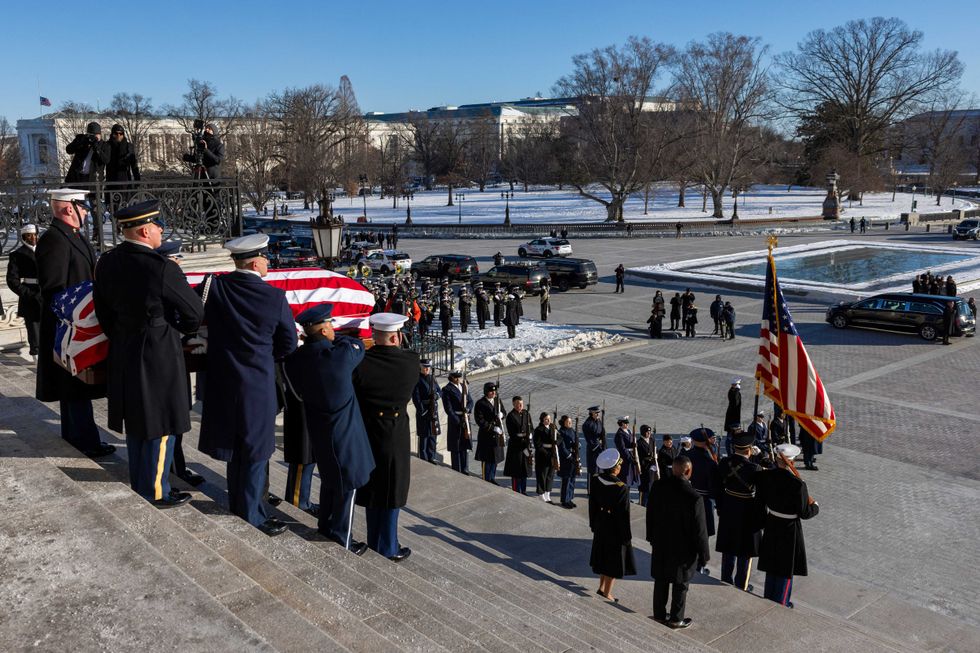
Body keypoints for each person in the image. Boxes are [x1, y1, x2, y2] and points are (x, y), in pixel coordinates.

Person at [93, 200, 202, 508]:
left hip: (125, 348)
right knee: (162, 423)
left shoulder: (106, 262)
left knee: (139, 422)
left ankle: (141, 483)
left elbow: (102, 312)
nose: (161, 231)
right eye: (157, 227)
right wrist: (175, 328)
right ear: (144, 230)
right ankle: (156, 490)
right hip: (159, 352)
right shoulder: (162, 267)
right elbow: (194, 313)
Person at [198, 233, 297, 536]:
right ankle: (252, 514)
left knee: (235, 448)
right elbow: (289, 344)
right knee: (255, 451)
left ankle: (238, 503)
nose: (269, 263)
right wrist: (265, 358)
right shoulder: (274, 297)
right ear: (256, 262)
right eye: (266, 258)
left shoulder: (214, 288)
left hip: (223, 381)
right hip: (257, 383)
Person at [282, 303, 375, 554]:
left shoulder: (294, 361)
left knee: (330, 481)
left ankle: (325, 526)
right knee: (348, 488)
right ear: (323, 331)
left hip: (319, 430)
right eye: (330, 325)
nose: (334, 328)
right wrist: (341, 338)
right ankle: (342, 538)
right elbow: (355, 346)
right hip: (345, 433)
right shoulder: (340, 356)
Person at [35, 189, 114, 458]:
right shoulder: (55, 240)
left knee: (74, 387)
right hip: (69, 324)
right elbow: (53, 288)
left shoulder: (72, 236)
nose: (86, 211)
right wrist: (77, 312)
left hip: (79, 322)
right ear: (69, 208)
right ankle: (85, 440)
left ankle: (78, 436)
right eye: (83, 207)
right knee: (74, 387)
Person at [352, 312, 420, 562]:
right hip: (395, 430)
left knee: (374, 486)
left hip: (368, 429)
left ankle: (374, 538)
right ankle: (388, 546)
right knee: (393, 487)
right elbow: (408, 356)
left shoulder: (362, 363)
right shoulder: (410, 363)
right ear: (397, 336)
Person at [153, 239, 205, 488]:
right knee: (174, 415)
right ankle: (173, 470)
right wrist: (187, 330)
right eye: (176, 259)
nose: (178, 263)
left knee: (177, 415)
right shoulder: (168, 278)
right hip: (170, 353)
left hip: (168, 352)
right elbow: (190, 314)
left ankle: (177, 466)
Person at [647, 456, 709, 629]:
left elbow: (650, 514)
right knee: (680, 584)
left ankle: (659, 615)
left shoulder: (658, 486)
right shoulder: (694, 497)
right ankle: (676, 618)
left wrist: (651, 537)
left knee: (661, 579)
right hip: (683, 549)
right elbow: (700, 531)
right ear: (688, 471)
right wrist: (704, 554)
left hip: (661, 543)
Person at [755, 443, 819, 607]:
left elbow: (760, 502)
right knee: (785, 567)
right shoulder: (798, 484)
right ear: (793, 461)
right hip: (789, 528)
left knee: (772, 564)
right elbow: (805, 513)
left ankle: (768, 595)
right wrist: (815, 507)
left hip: (772, 523)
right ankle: (782, 601)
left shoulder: (765, 477)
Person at [715, 430, 765, 592]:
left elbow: (718, 489)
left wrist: (721, 507)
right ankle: (741, 584)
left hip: (729, 507)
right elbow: (763, 490)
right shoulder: (755, 468)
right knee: (745, 551)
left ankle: (726, 579)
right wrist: (761, 457)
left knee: (728, 548)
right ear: (749, 450)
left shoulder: (724, 463)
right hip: (747, 511)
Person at [590, 449, 636, 602]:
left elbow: (593, 504)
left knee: (603, 556)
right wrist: (626, 536)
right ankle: (607, 593)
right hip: (614, 527)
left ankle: (602, 587)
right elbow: (624, 515)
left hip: (600, 522)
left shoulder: (596, 479)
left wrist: (593, 523)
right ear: (615, 468)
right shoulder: (620, 487)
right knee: (613, 561)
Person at [6, 224, 42, 359]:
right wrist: (29, 294)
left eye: (35, 234)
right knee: (33, 326)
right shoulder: (17, 255)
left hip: (46, 291)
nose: (33, 238)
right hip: (30, 293)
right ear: (23, 237)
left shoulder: (45, 250)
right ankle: (36, 351)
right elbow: (12, 280)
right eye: (29, 235)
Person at [688, 427, 720, 572]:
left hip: (689, 496)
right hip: (704, 500)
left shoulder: (687, 455)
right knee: (702, 534)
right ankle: (700, 564)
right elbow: (714, 489)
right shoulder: (709, 462)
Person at [442, 370, 473, 474]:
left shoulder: (464, 386)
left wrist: (468, 409)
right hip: (455, 420)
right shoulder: (447, 389)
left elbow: (470, 401)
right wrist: (457, 421)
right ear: (452, 378)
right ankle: (457, 469)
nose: (458, 380)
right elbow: (448, 409)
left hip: (465, 417)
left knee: (465, 444)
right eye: (456, 378)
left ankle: (465, 468)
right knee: (456, 446)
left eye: (459, 378)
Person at [474, 382, 505, 484]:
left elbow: (504, 412)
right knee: (487, 459)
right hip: (486, 435)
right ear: (486, 392)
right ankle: (486, 479)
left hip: (497, 435)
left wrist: (502, 415)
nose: (494, 393)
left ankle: (492, 477)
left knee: (494, 458)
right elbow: (480, 420)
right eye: (491, 391)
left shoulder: (497, 400)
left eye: (494, 391)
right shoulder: (480, 403)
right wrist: (492, 428)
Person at [411, 359, 441, 463]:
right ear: (421, 368)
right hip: (424, 411)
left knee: (433, 435)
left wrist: (436, 396)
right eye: (425, 367)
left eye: (428, 367)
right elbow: (416, 397)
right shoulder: (417, 379)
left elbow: (439, 391)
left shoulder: (432, 378)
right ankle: (423, 458)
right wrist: (422, 410)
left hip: (433, 410)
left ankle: (431, 456)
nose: (427, 369)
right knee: (424, 436)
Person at [104, 124, 141, 206]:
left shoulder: (128, 146)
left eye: (121, 134)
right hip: (111, 182)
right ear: (112, 134)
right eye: (116, 134)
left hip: (125, 182)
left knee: (126, 207)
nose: (118, 136)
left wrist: (137, 179)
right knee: (112, 209)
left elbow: (134, 165)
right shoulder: (107, 145)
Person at [503, 395, 534, 494]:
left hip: (526, 446)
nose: (520, 406)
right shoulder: (511, 416)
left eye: (521, 404)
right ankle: (516, 490)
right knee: (516, 471)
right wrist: (524, 437)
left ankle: (523, 490)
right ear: (513, 404)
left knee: (524, 470)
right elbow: (512, 434)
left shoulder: (526, 413)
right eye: (517, 404)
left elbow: (531, 427)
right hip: (516, 447)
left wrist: (530, 436)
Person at [533, 412, 559, 503]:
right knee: (542, 475)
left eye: (549, 419)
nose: (549, 421)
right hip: (542, 455)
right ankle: (541, 493)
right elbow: (538, 445)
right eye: (546, 419)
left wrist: (556, 442)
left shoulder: (553, 427)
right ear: (542, 420)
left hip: (552, 453)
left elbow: (560, 438)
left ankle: (548, 493)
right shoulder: (538, 430)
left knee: (550, 475)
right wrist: (546, 454)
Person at [582, 406, 605, 495]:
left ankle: (598, 488)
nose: (598, 414)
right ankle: (591, 490)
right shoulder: (587, 424)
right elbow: (589, 439)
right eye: (596, 413)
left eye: (598, 413)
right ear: (592, 413)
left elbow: (602, 433)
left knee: (599, 470)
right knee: (593, 470)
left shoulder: (598, 421)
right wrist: (597, 445)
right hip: (593, 450)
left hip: (599, 448)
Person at [556, 415, 578, 508]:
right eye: (568, 422)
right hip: (566, 459)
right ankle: (564, 500)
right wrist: (568, 455)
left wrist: (578, 445)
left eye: (571, 422)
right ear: (564, 422)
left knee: (572, 478)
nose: (570, 423)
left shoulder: (572, 430)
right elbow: (562, 446)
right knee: (566, 480)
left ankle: (570, 498)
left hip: (573, 457)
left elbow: (575, 441)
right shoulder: (561, 432)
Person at [613, 416, 638, 490]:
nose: (627, 425)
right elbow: (622, 448)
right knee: (625, 477)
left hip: (630, 455)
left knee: (630, 478)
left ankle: (627, 495)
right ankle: (624, 496)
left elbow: (630, 442)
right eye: (625, 423)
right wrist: (630, 458)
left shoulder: (629, 431)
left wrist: (633, 444)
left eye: (627, 423)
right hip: (625, 458)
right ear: (621, 423)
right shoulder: (619, 434)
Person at [636, 424, 657, 507]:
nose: (649, 433)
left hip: (652, 468)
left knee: (651, 487)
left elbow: (655, 450)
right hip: (644, 468)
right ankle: (642, 504)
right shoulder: (639, 443)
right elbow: (638, 457)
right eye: (647, 432)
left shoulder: (652, 440)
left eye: (650, 432)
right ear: (643, 432)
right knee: (644, 488)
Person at [724, 378, 742, 455]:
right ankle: (731, 453)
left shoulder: (732, 391)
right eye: (738, 384)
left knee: (731, 438)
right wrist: (737, 390)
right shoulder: (734, 392)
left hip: (733, 418)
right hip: (733, 420)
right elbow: (735, 402)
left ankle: (732, 452)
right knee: (731, 438)